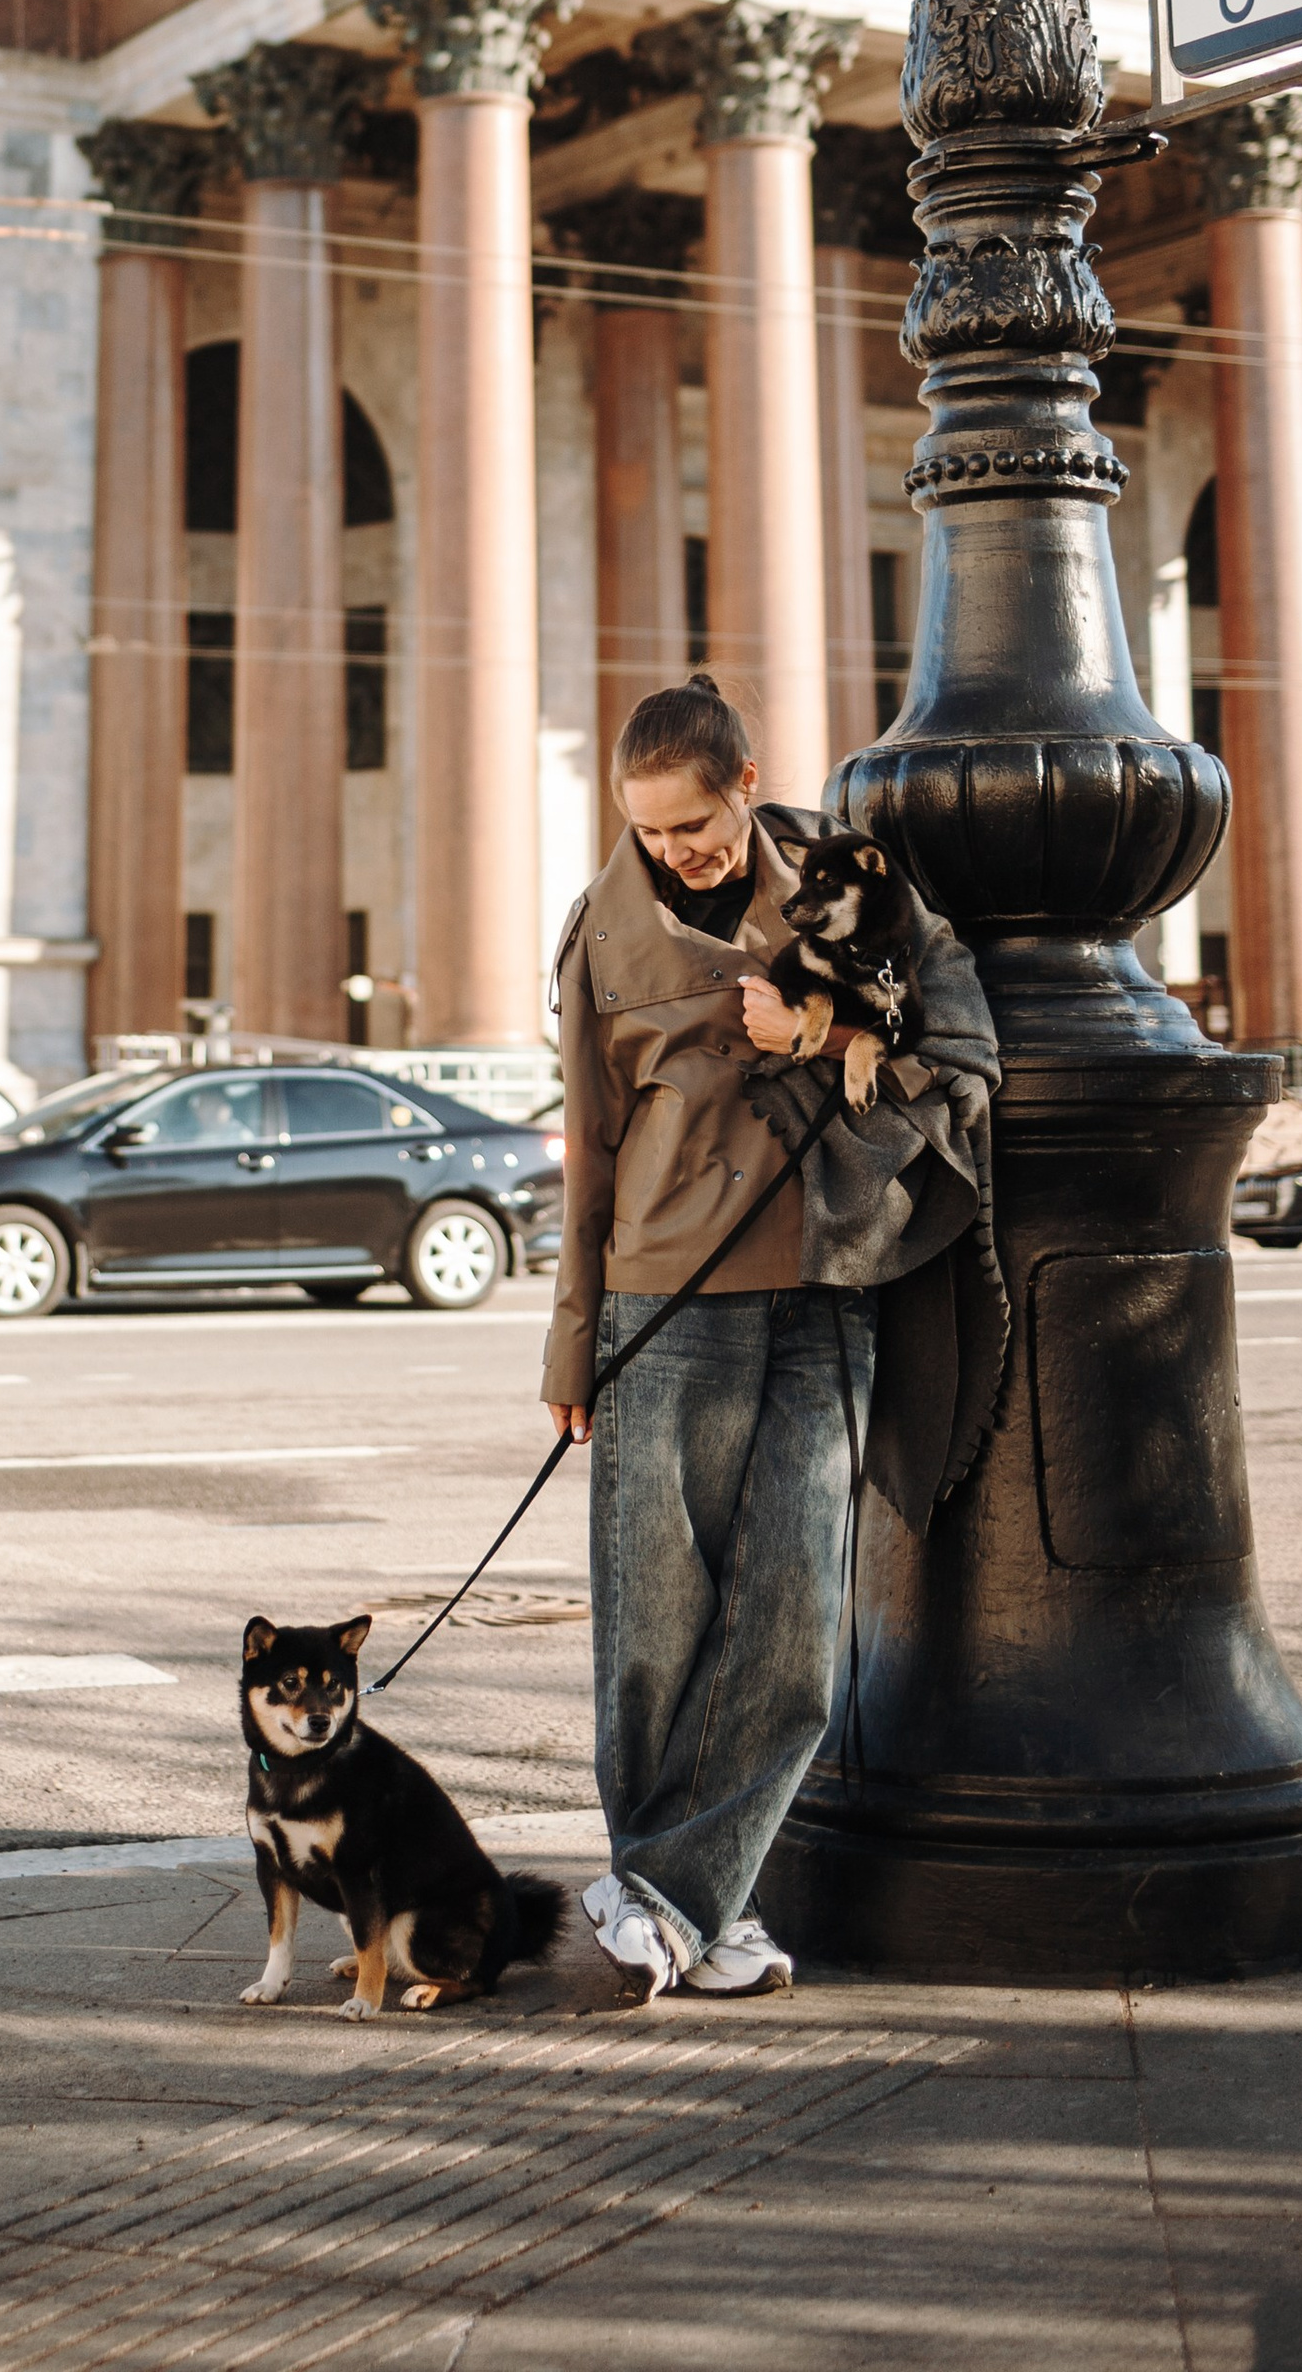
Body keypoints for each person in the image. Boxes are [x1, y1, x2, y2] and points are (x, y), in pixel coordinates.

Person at [543, 672, 1002, 2007]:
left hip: (825, 1285)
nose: (672, 851)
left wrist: (823, 1026)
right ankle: (701, 1908)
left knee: (794, 1629)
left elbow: (964, 1043)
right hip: (662, 1304)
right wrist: (572, 1349)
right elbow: (588, 1153)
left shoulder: (856, 887)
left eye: (691, 825)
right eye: (647, 831)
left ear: (745, 784)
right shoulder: (602, 932)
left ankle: (669, 1902)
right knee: (655, 1626)